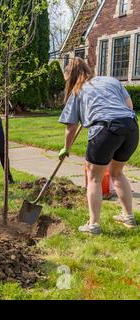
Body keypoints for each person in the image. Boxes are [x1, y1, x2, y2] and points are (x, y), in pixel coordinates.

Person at [59, 57, 138, 235]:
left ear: (71, 78)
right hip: (131, 126)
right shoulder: (111, 80)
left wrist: (66, 148)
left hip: (105, 128)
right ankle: (128, 216)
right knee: (117, 173)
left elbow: (71, 127)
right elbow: (129, 106)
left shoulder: (78, 90)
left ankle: (93, 225)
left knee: (94, 177)